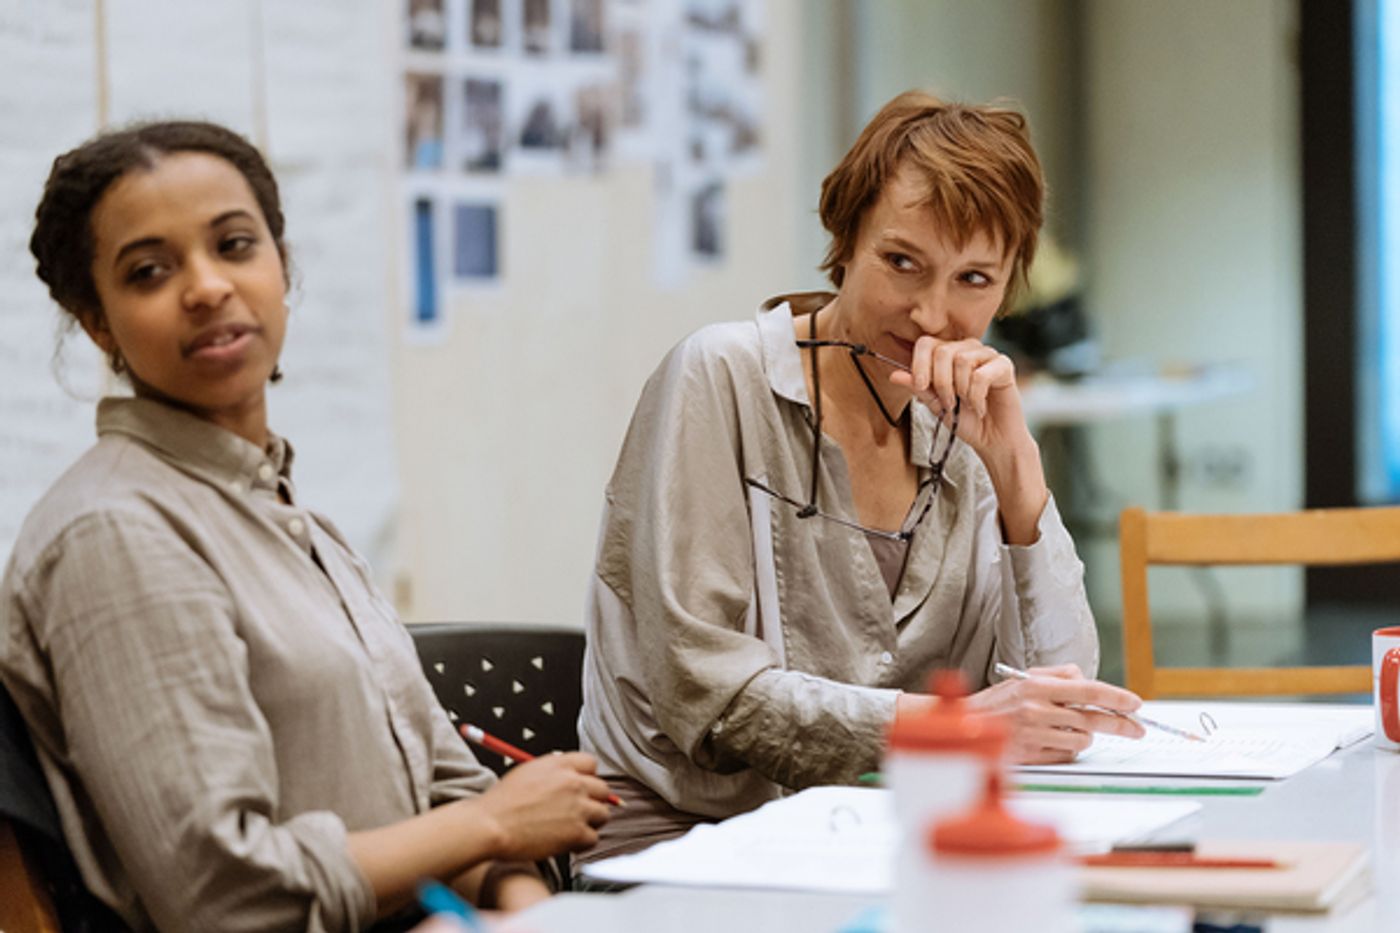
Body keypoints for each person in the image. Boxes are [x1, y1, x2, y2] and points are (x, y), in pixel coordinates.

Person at [0, 120, 611, 932]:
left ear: (281, 267)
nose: (208, 285)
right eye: (149, 271)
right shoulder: (114, 534)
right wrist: (497, 823)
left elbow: (450, 787)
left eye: (235, 244)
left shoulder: (293, 514)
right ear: (98, 323)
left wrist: (525, 912)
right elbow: (223, 896)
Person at [576, 91, 1145, 866]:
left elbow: (1057, 694)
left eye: (974, 279)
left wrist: (1017, 476)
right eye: (901, 262)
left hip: (874, 840)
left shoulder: (960, 422)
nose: (931, 314)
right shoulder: (722, 376)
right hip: (689, 843)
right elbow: (709, 696)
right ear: (845, 241)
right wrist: (959, 725)